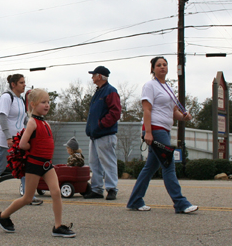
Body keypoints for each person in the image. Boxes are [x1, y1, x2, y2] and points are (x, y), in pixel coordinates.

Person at [0, 89, 75, 237]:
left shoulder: (46, 123)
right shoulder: (32, 122)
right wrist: (31, 147)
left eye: (48, 102)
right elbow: (22, 144)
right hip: (34, 165)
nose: (47, 105)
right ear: (33, 104)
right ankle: (3, 216)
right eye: (43, 102)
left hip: (47, 165)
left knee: (56, 192)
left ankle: (58, 226)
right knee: (28, 198)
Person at [125, 56, 199, 214]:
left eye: (165, 65)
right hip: (155, 129)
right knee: (168, 166)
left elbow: (174, 112)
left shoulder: (169, 88)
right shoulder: (150, 86)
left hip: (164, 129)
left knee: (150, 168)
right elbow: (147, 110)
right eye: (158, 65)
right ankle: (180, 203)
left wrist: (184, 117)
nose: (162, 67)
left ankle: (135, 201)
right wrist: (148, 132)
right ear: (152, 69)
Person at [0, 74, 38, 205]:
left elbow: (23, 118)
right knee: (0, 166)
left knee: (23, 166)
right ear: (13, 84)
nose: (24, 85)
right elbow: (2, 118)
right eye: (21, 82)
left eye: (24, 82)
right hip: (7, 139)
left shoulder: (20, 99)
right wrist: (8, 137)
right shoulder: (6, 97)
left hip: (19, 139)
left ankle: (28, 196)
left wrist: (34, 125)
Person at [84, 65, 121, 200]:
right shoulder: (99, 92)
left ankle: (112, 189)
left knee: (108, 162)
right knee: (94, 163)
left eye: (94, 75)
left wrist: (100, 125)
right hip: (95, 135)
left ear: (100, 76)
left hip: (105, 134)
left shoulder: (110, 91)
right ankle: (97, 189)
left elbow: (115, 113)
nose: (92, 77)